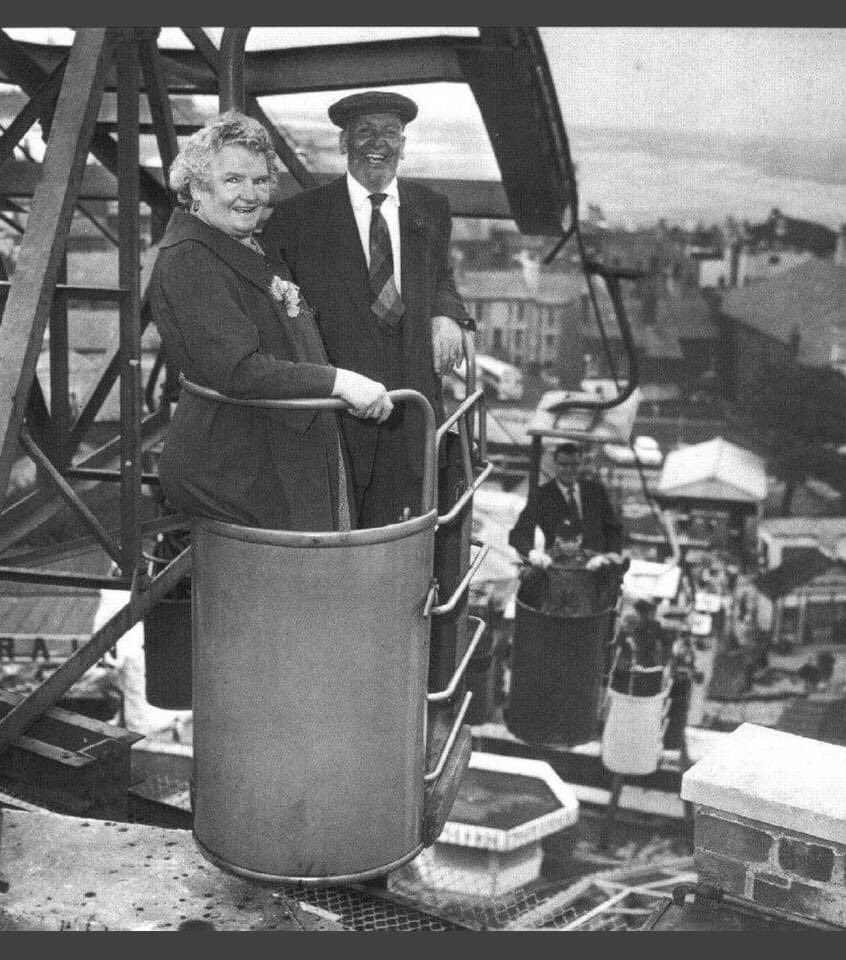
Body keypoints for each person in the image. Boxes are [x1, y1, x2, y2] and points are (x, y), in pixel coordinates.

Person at [148, 111, 394, 531]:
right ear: (195, 188)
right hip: (234, 471)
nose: (250, 194)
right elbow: (239, 370)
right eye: (233, 180)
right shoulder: (190, 258)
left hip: (268, 448)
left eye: (260, 181)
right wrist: (339, 382)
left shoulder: (237, 243)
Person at [261, 90, 474, 527]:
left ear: (403, 145)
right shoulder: (298, 218)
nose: (378, 143)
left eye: (390, 133)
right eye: (364, 131)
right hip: (339, 415)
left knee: (406, 534)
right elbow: (272, 309)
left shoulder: (430, 209)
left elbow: (441, 277)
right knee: (338, 534)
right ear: (343, 143)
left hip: (413, 409)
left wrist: (448, 315)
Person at [508, 440, 623, 571]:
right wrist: (532, 553)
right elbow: (518, 534)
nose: (569, 470)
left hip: (594, 569)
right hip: (555, 568)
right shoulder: (542, 495)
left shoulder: (596, 492)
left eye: (574, 465)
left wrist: (608, 556)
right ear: (556, 465)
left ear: (581, 465)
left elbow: (613, 530)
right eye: (564, 465)